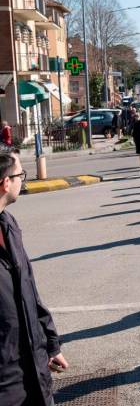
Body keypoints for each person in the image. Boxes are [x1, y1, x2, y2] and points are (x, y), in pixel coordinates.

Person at [0, 146, 69, 405]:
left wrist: (50, 344)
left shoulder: (9, 224)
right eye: (20, 175)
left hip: (32, 368)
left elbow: (28, 290)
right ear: (6, 183)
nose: (22, 181)